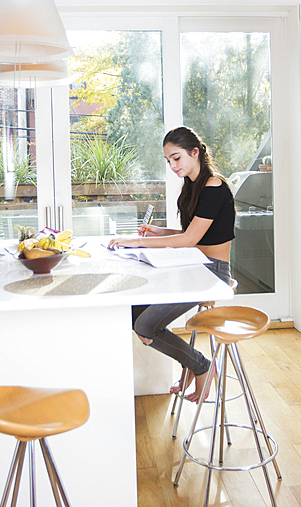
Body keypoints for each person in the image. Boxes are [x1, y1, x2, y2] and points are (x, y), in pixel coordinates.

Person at [107, 126, 235, 402]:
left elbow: (190, 240)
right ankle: (191, 363)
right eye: (168, 160)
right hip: (193, 264)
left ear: (195, 152)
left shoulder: (214, 186)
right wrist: (160, 232)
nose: (172, 165)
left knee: (146, 326)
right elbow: (192, 235)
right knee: (134, 313)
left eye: (176, 158)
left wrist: (136, 242)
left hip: (211, 272)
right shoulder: (192, 186)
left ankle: (200, 366)